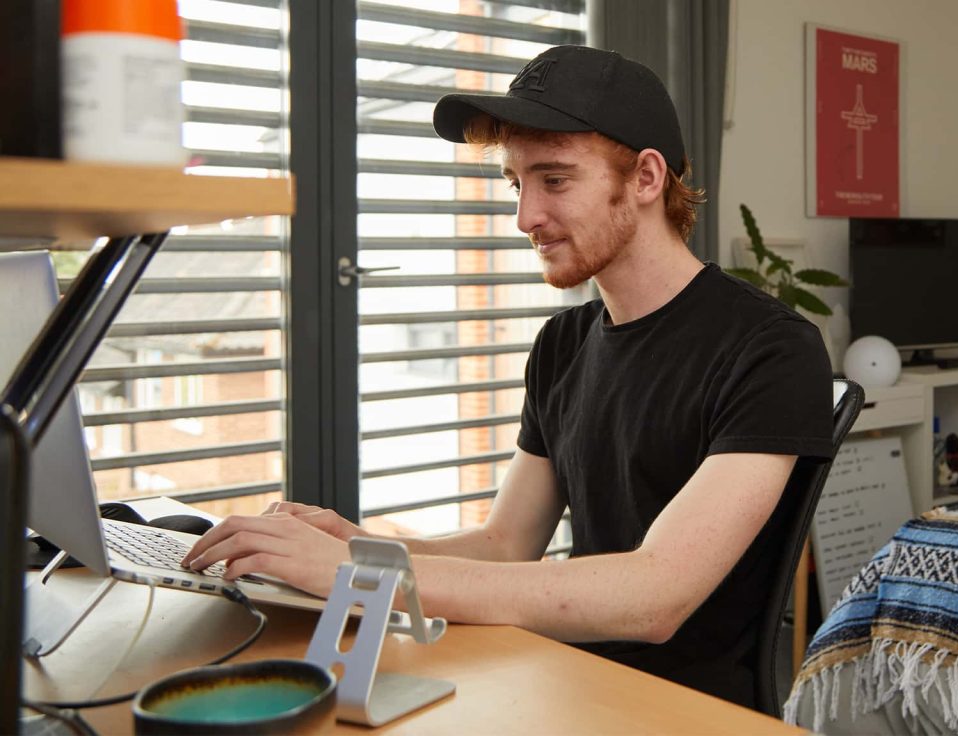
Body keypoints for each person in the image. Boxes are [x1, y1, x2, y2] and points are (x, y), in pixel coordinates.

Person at [182, 44, 833, 709]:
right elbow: (505, 543)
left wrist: (348, 572)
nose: (525, 217)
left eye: (554, 180)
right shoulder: (563, 343)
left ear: (645, 177)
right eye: (515, 184)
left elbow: (654, 596)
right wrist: (362, 545)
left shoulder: (770, 349)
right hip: (561, 683)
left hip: (685, 713)